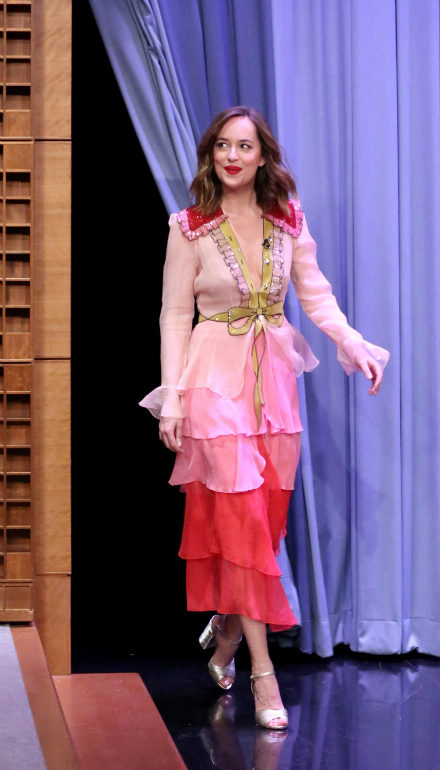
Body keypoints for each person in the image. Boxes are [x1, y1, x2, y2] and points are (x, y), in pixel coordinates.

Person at [140, 106, 389, 729]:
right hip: (211, 382)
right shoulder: (189, 227)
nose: (232, 156)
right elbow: (175, 316)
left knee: (264, 529)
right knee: (243, 523)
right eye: (222, 145)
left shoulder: (287, 220)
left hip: (274, 384)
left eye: (244, 146)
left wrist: (351, 342)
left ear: (261, 156)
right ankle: (262, 673)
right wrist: (172, 396)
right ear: (210, 154)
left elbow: (315, 293)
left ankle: (225, 633)